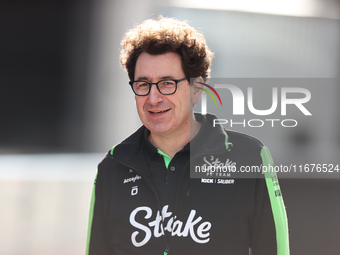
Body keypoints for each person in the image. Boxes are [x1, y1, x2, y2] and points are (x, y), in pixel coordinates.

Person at [86, 16, 289, 255]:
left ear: (196, 89)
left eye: (167, 83)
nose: (153, 98)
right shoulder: (113, 165)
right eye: (143, 85)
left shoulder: (249, 157)